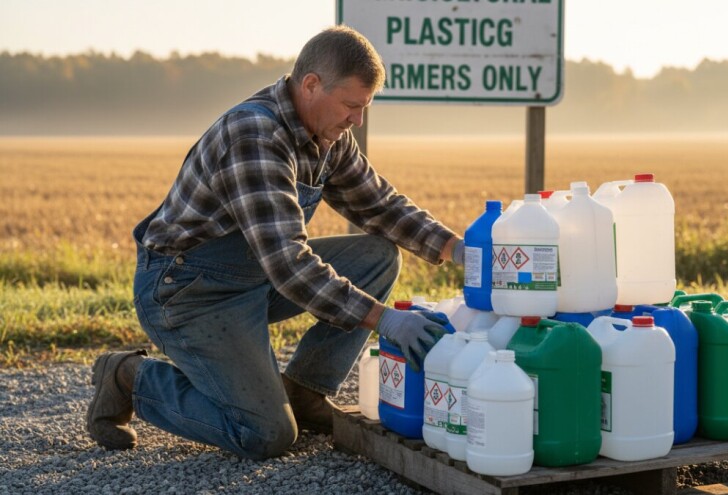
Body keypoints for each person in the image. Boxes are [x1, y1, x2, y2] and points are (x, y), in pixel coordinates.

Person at [86, 26, 464, 460]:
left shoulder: (327, 133)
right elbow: (289, 264)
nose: (357, 120)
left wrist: (457, 250)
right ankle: (128, 377)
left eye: (364, 108)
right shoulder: (256, 136)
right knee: (265, 434)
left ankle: (304, 393)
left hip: (253, 278)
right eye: (352, 106)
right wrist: (386, 321)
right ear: (310, 85)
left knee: (376, 256)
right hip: (189, 293)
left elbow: (379, 205)